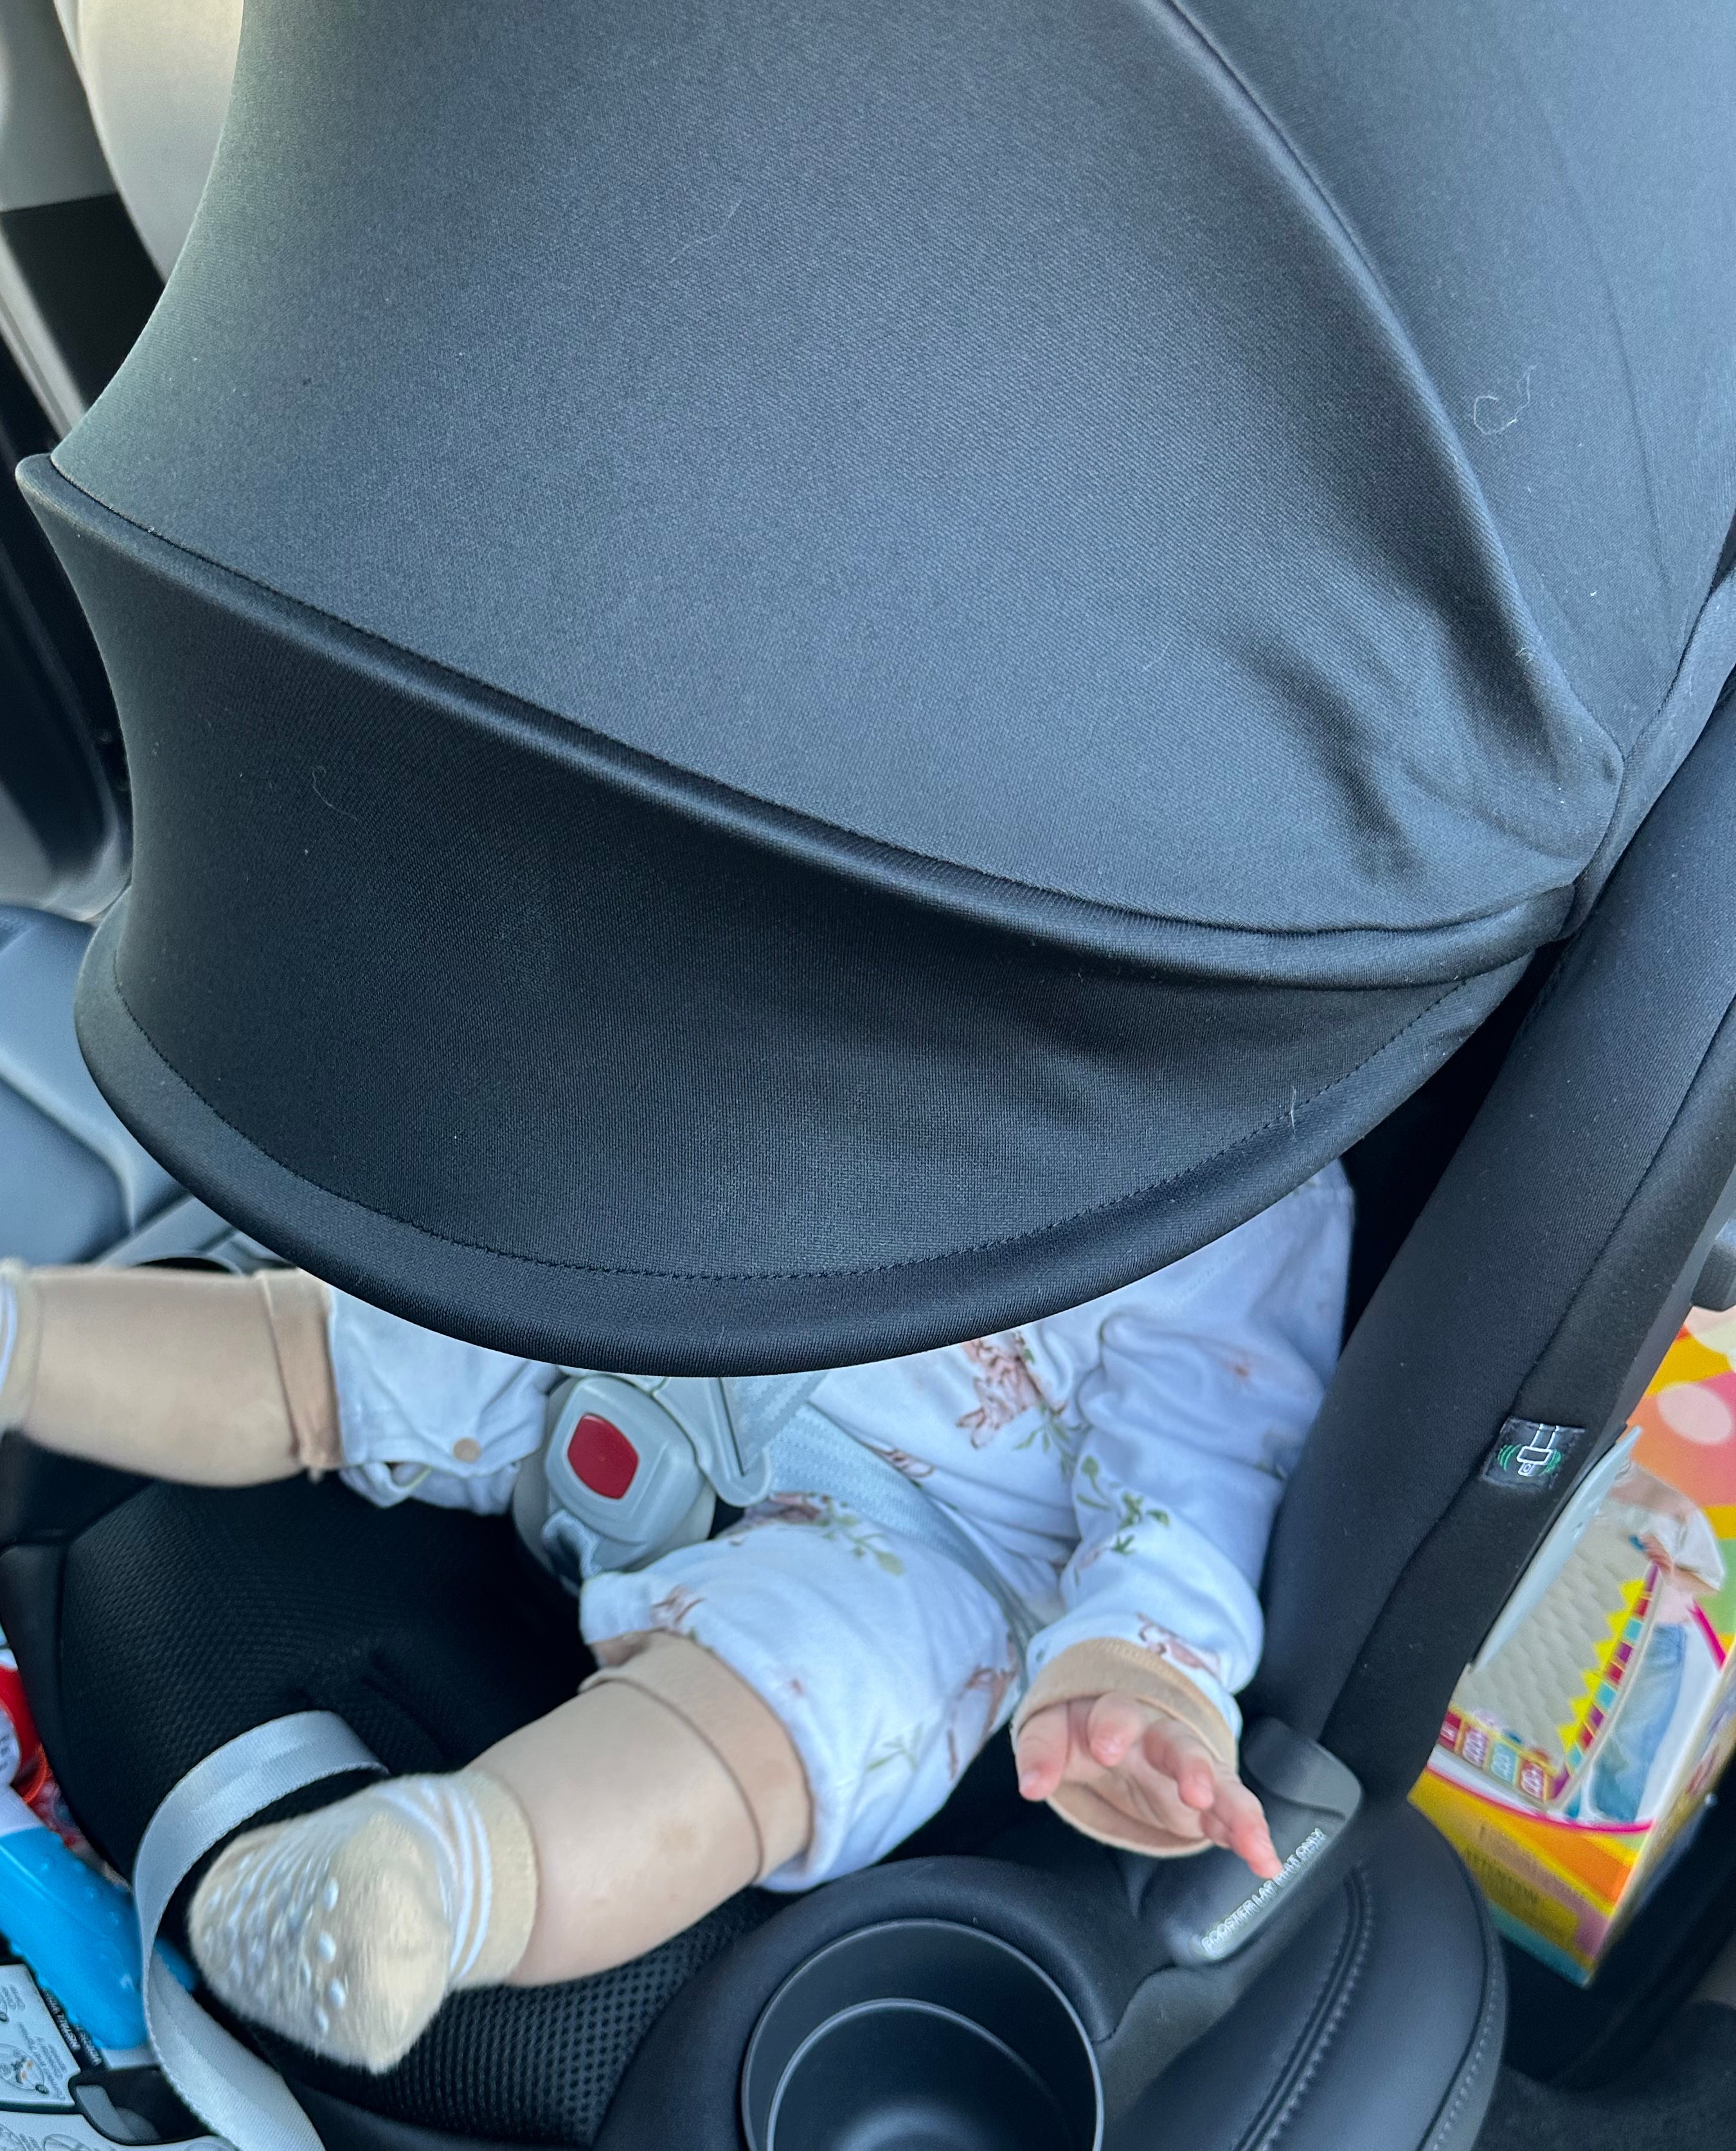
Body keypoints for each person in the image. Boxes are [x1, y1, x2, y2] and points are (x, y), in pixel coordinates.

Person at [0, 1163, 1350, 2071]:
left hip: (919, 1533)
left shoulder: (1243, 1176)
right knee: (332, 1347)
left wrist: (1138, 1670)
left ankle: (432, 1887)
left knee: (777, 1718)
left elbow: (1200, 1471)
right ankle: (24, 1340)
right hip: (634, 1303)